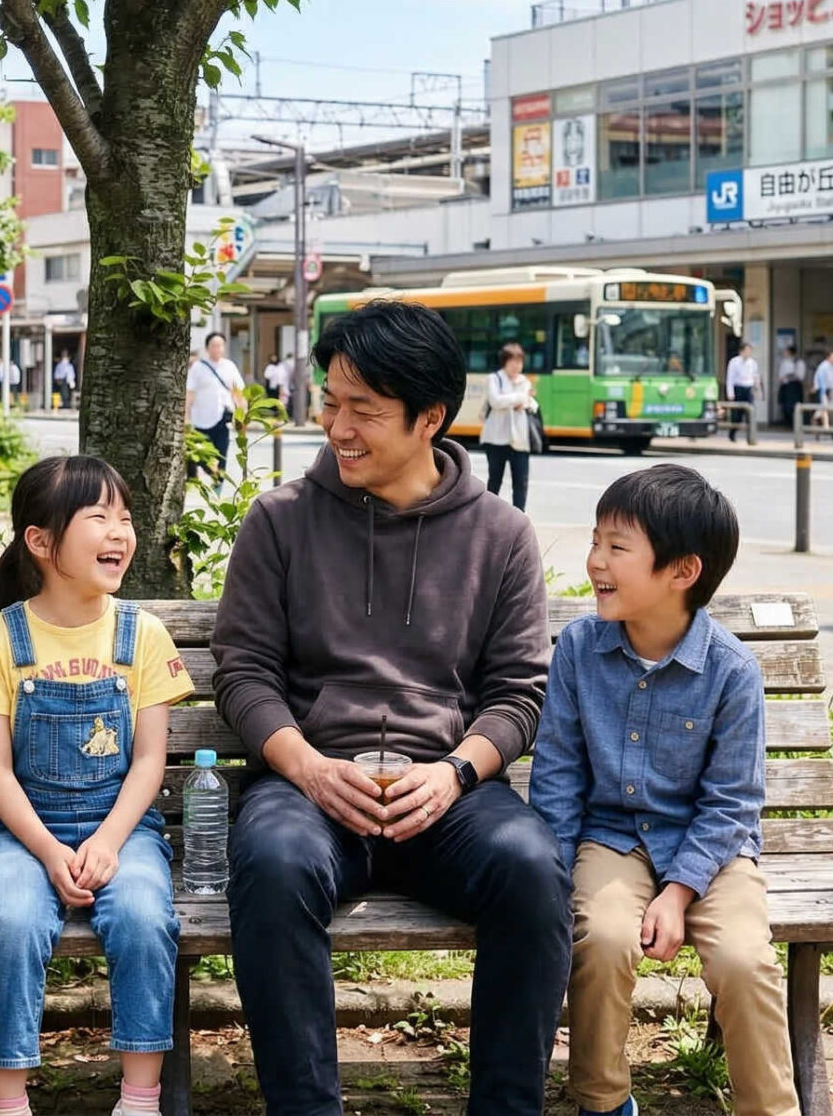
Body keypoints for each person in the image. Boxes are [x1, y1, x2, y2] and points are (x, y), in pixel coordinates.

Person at [213, 300, 568, 1116]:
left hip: (445, 794)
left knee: (531, 869)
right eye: (331, 401)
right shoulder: (280, 521)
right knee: (270, 863)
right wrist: (303, 762)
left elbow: (518, 694)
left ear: (429, 418)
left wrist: (453, 774)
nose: (337, 425)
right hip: (310, 786)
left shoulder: (500, 535)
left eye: (362, 410)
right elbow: (244, 672)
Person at [531, 465, 795, 1116]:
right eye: (595, 540)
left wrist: (679, 892)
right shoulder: (579, 650)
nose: (595, 560)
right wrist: (553, 880)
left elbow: (732, 803)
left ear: (682, 572)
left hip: (711, 850)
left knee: (742, 958)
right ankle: (602, 1100)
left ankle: (772, 1108)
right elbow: (558, 775)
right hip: (610, 839)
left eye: (617, 547)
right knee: (606, 936)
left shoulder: (732, 670)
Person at [0, 456, 189, 1116]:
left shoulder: (141, 634)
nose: (120, 530)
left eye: (126, 516)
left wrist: (111, 840)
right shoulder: (0, 640)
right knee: (13, 919)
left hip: (124, 829)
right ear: (42, 541)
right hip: (24, 835)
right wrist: (51, 851)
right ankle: (8, 1100)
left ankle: (140, 1098)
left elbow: (149, 761)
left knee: (144, 915)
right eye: (99, 517)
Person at [479, 341, 538, 511]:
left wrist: (522, 401)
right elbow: (496, 401)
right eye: (513, 361)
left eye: (519, 362)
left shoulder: (524, 381)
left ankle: (519, 519)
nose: (516, 366)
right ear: (505, 361)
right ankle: (488, 515)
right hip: (496, 439)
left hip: (520, 440)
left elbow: (531, 404)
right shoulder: (494, 379)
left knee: (521, 482)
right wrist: (520, 398)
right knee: (495, 479)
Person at [185, 332, 246, 481]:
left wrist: (243, 415)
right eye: (214, 345)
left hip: (221, 419)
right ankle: (207, 476)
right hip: (200, 421)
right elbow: (189, 395)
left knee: (221, 456)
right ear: (207, 348)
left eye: (220, 345)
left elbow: (238, 393)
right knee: (200, 456)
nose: (217, 348)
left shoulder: (229, 366)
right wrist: (186, 417)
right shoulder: (198, 367)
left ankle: (218, 490)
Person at [724, 341, 760, 444]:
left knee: (750, 413)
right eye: (747, 350)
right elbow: (730, 378)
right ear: (741, 351)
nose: (748, 353)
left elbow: (756, 377)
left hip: (748, 388)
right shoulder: (734, 362)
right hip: (738, 388)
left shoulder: (753, 363)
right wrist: (730, 393)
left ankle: (751, 437)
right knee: (737, 415)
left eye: (750, 351)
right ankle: (732, 434)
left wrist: (757, 390)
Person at [773, 346, 806, 429]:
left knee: (794, 406)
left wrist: (790, 376)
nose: (785, 353)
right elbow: (780, 375)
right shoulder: (784, 362)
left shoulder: (799, 362)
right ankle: (788, 423)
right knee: (784, 405)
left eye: (786, 351)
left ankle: (795, 424)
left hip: (795, 387)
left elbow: (800, 376)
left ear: (790, 352)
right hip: (785, 386)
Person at [812, 349, 833, 415]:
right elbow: (819, 379)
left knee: (831, 408)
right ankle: (816, 421)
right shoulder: (823, 366)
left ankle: (824, 423)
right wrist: (820, 390)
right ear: (828, 357)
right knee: (823, 408)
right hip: (823, 390)